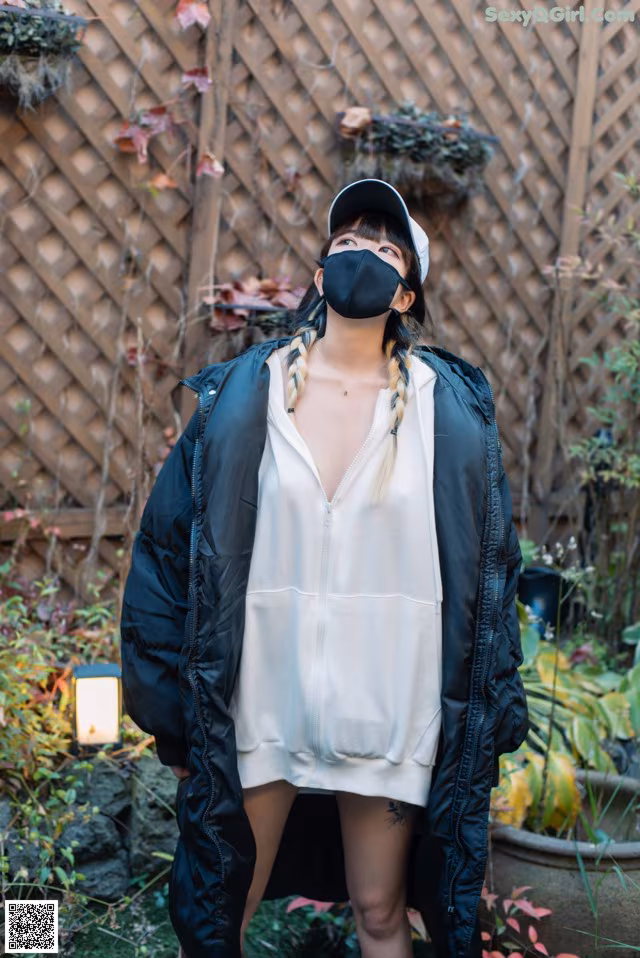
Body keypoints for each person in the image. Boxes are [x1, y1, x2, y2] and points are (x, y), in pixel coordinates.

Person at [119, 178, 528, 958]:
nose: (360, 256)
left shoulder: (452, 416)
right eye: (346, 243)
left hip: (390, 707)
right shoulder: (246, 394)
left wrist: (490, 714)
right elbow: (169, 549)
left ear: (407, 293)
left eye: (384, 247)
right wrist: (168, 705)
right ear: (318, 277)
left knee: (381, 916)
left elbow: (490, 573)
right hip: (261, 700)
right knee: (219, 916)